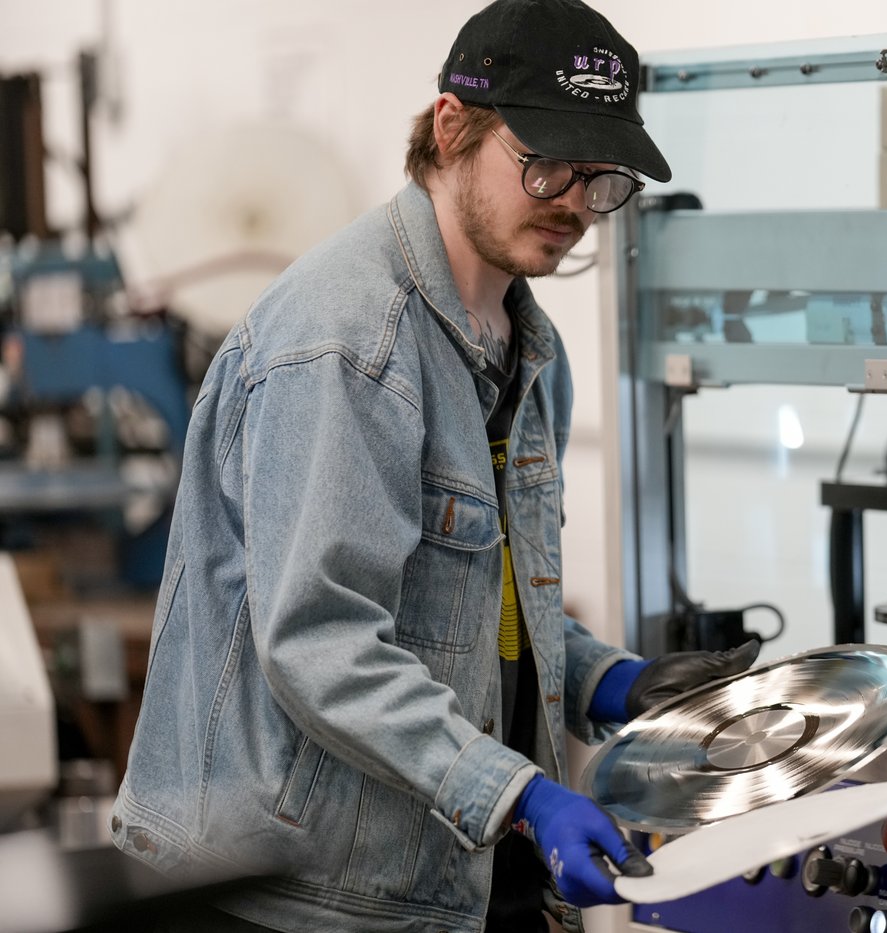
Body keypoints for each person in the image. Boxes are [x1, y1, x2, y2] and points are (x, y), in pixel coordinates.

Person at [108, 1, 759, 930]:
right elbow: (322, 642)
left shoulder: (532, 352)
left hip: (460, 875)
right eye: (547, 164)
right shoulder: (346, 342)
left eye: (601, 178)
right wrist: (523, 794)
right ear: (452, 128)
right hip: (301, 898)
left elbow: (476, 607)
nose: (575, 204)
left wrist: (612, 683)